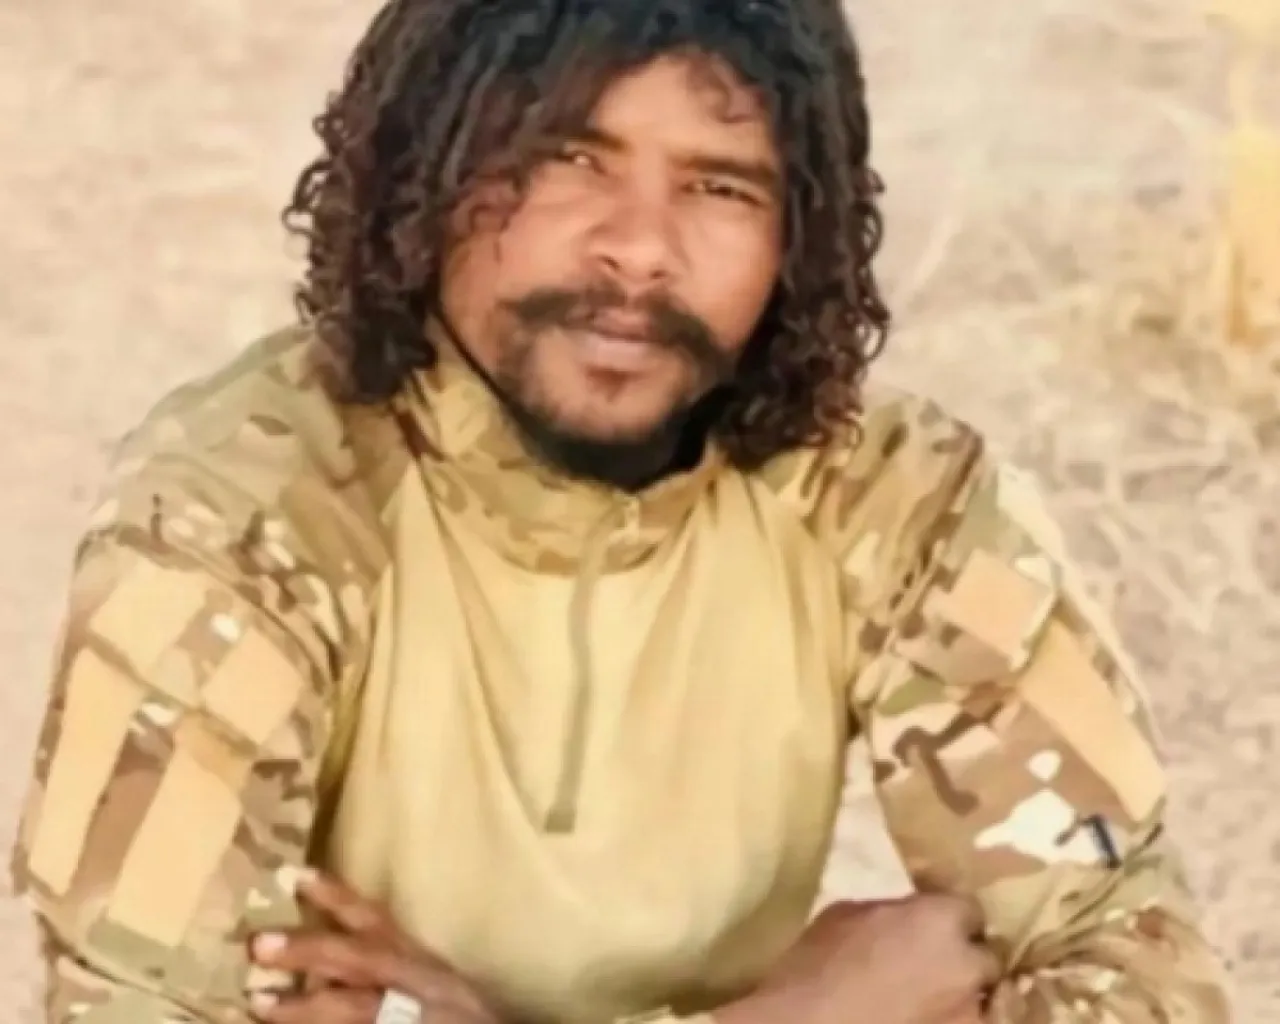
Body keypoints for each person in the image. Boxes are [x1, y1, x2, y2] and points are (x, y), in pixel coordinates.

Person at [11, 1, 1232, 1023]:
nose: (640, 249)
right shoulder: (240, 517)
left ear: (798, 238)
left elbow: (1136, 970)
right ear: (425, 174)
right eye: (569, 159)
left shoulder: (891, 504)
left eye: (720, 185)